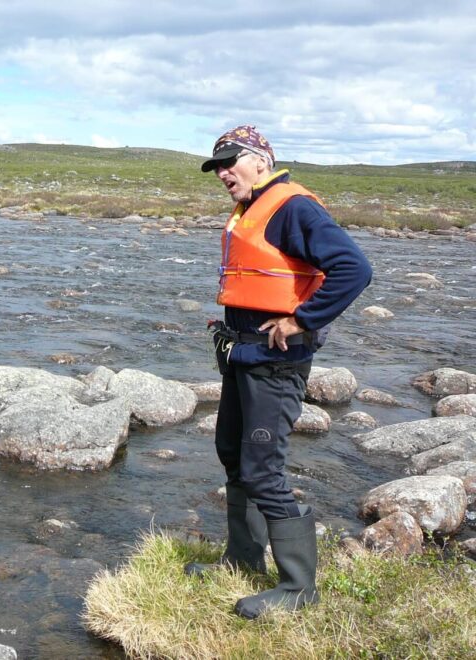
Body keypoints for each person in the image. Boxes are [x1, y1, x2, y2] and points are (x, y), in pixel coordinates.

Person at [187, 125, 372, 619]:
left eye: (231, 162)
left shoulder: (292, 207)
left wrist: (301, 319)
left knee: (263, 470)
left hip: (276, 365)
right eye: (217, 166)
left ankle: (298, 587)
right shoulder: (250, 209)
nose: (223, 173)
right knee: (232, 454)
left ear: (261, 161)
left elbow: (355, 269)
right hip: (244, 359)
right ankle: (243, 558)